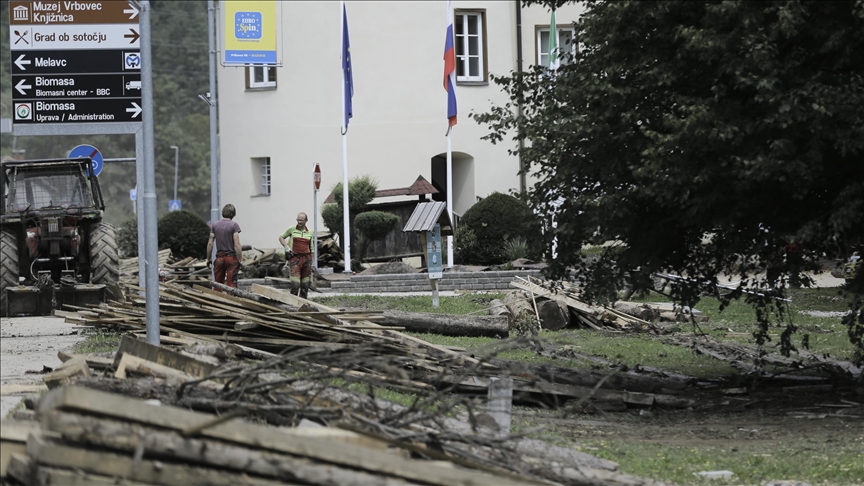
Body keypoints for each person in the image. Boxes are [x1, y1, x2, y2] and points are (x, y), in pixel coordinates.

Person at [278, 212, 314, 298]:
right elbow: (281, 237)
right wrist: (286, 247)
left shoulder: (310, 232)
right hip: (295, 259)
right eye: (298, 220)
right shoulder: (291, 229)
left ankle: (303, 303)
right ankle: (292, 304)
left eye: (301, 220)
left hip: (306, 259)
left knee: (305, 285)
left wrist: (312, 262)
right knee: (295, 284)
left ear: (306, 220)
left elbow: (311, 248)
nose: (299, 222)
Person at [206, 204, 243, 289]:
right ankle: (231, 300)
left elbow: (210, 243)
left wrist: (208, 258)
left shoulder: (215, 225)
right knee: (231, 285)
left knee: (218, 284)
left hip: (219, 258)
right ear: (233, 213)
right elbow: (237, 244)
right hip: (231, 259)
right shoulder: (234, 225)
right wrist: (240, 259)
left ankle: (217, 300)